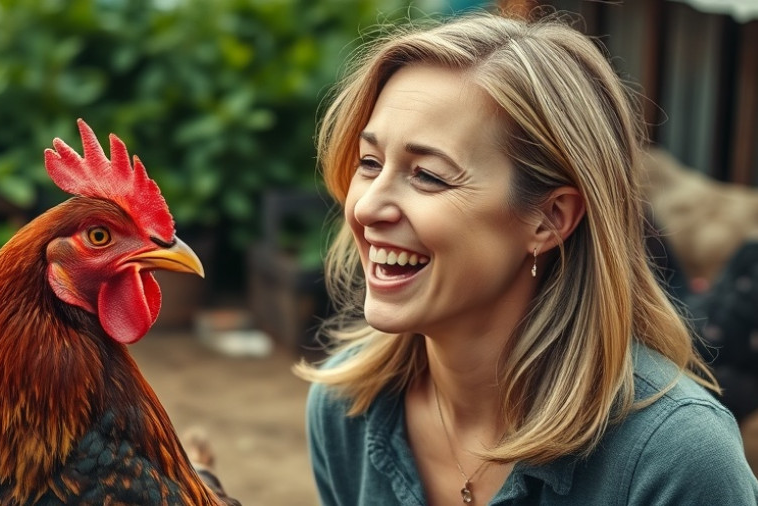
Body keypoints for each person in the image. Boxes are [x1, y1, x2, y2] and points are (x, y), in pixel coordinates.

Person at [294, 11, 758, 506]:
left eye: (428, 175)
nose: (365, 207)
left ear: (550, 218)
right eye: (370, 162)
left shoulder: (675, 459)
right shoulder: (346, 410)